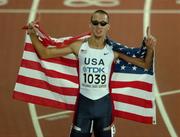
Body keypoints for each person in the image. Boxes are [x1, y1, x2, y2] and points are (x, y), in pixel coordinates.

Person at [27, 10, 156, 137]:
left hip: (104, 108)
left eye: (102, 23)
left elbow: (144, 64)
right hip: (84, 107)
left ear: (108, 27)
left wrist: (149, 49)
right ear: (90, 25)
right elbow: (45, 53)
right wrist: (33, 34)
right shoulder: (78, 47)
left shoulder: (114, 51)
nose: (99, 26)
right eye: (95, 23)